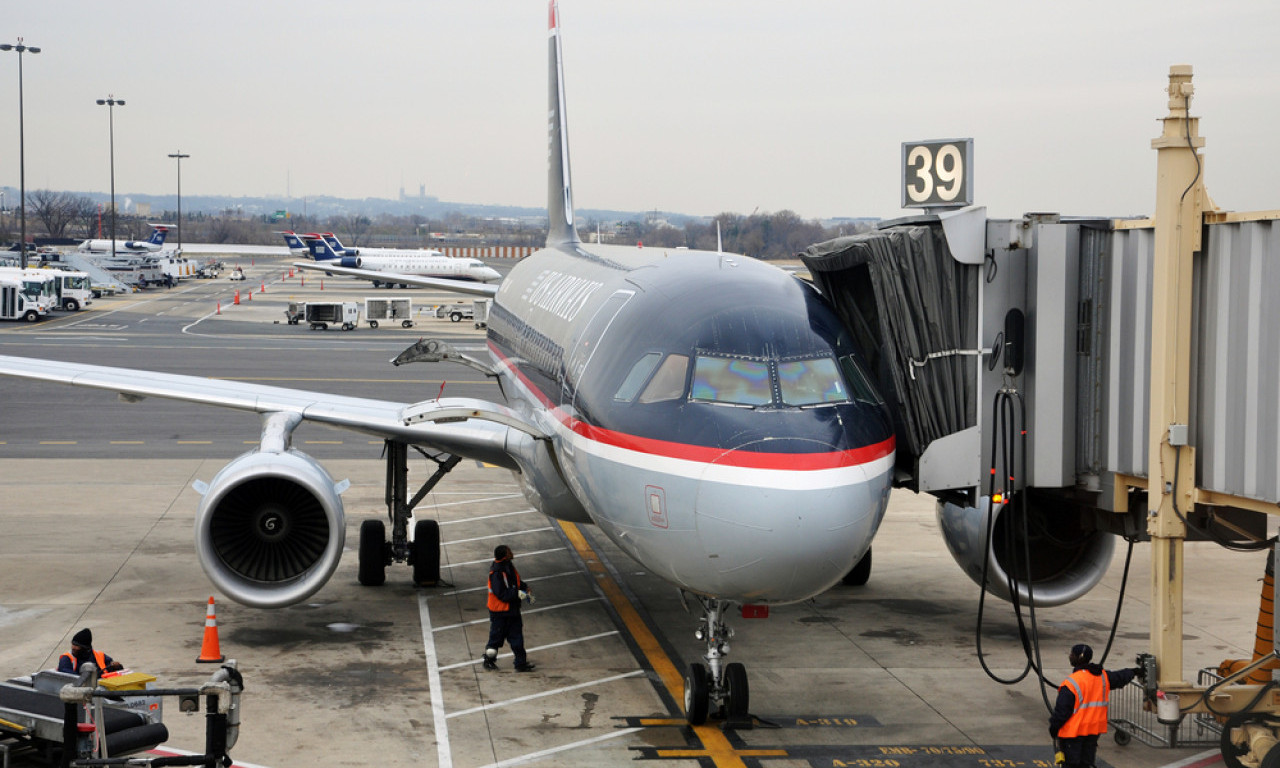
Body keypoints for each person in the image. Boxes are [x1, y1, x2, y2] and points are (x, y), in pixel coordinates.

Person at [1048, 643, 1141, 768]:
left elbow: (1062, 712)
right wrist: (1134, 671)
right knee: (1087, 763)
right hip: (1093, 731)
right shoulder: (1102, 677)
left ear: (1079, 658)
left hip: (1073, 733)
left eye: (1072, 654)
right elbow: (1119, 677)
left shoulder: (1071, 683)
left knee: (1071, 764)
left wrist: (1054, 728)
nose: (1070, 656)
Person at [482, 544, 536, 672]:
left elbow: (515, 582)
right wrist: (517, 593)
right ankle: (489, 660)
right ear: (505, 555)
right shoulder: (496, 573)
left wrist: (524, 587)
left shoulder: (508, 566)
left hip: (511, 610)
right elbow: (501, 594)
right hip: (500, 612)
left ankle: (520, 663)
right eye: (509, 551)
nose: (512, 553)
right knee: (495, 638)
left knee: (517, 637)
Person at [56, 628, 123, 675]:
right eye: (73, 644)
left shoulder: (99, 655)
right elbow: (68, 676)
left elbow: (115, 669)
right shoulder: (66, 658)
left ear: (86, 648)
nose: (73, 647)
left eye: (77, 645)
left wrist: (117, 666)